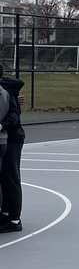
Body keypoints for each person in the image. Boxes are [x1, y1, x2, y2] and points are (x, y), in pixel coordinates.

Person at [0, 64, 24, 233]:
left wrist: (2, 125)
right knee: (3, 177)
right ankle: (6, 212)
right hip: (7, 136)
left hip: (12, 138)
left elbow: (14, 114)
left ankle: (14, 219)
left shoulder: (7, 89)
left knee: (10, 176)